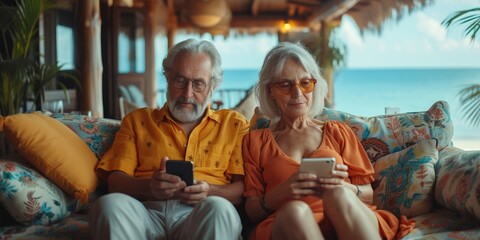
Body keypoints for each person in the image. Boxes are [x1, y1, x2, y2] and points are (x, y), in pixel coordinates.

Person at [242, 42, 406, 240]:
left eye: (305, 83)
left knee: (339, 196)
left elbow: (368, 194)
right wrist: (281, 193)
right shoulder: (255, 142)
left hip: (346, 216)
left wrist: (345, 188)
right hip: (292, 226)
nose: (297, 93)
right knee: (295, 211)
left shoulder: (337, 132)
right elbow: (252, 211)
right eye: (285, 85)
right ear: (270, 92)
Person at [89, 38, 249, 240]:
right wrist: (149, 187)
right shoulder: (138, 120)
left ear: (212, 87)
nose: (187, 93)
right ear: (167, 78)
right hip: (146, 212)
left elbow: (243, 190)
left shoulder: (233, 124)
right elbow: (115, 182)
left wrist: (209, 191)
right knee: (109, 206)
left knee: (219, 209)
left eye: (198, 84)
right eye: (180, 80)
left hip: (203, 214)